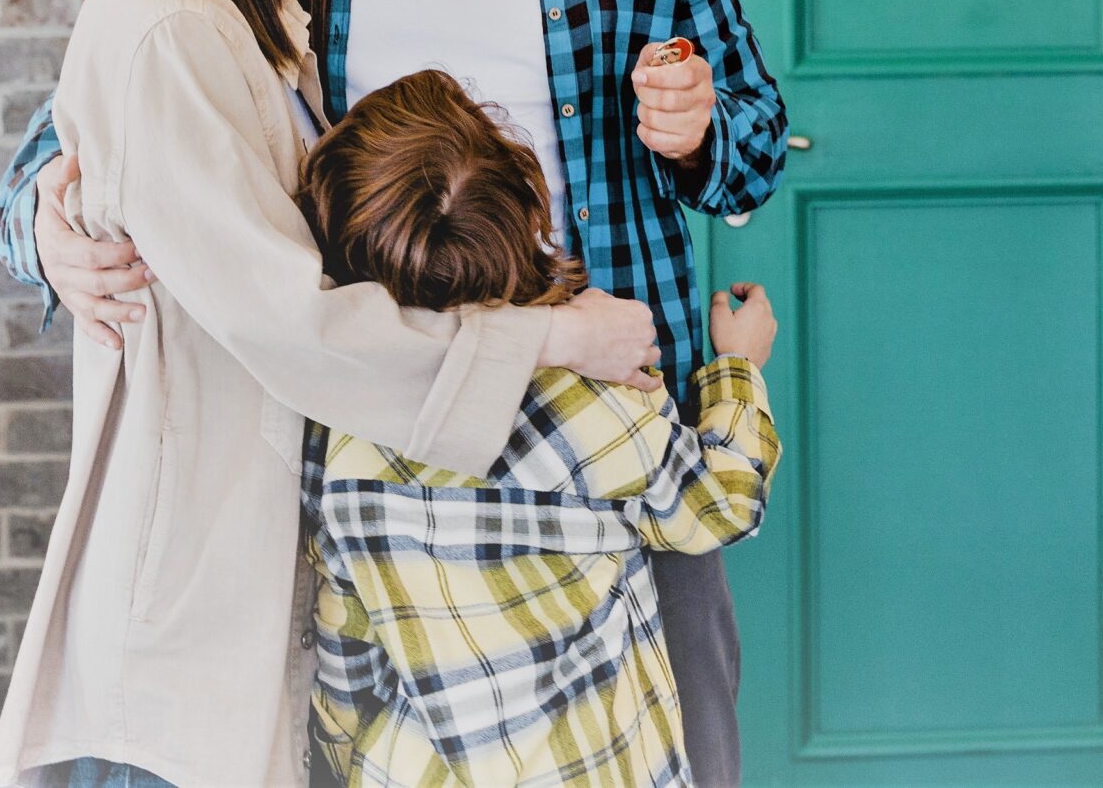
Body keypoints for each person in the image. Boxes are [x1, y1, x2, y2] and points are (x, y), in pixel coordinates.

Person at [0, 0, 787, 784]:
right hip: (363, 464)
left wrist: (696, 138)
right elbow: (89, 127)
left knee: (667, 752)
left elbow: (754, 147)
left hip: (613, 435)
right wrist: (44, 228)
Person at [0, 0, 580, 788]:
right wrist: (552, 338)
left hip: (241, 570)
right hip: (187, 597)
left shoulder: (245, 16)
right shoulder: (169, 30)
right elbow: (287, 317)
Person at [294, 67, 779, 787]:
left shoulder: (346, 434)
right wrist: (738, 365)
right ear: (529, 214)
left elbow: (344, 655)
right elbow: (723, 500)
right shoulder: (590, 400)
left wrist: (339, 755)